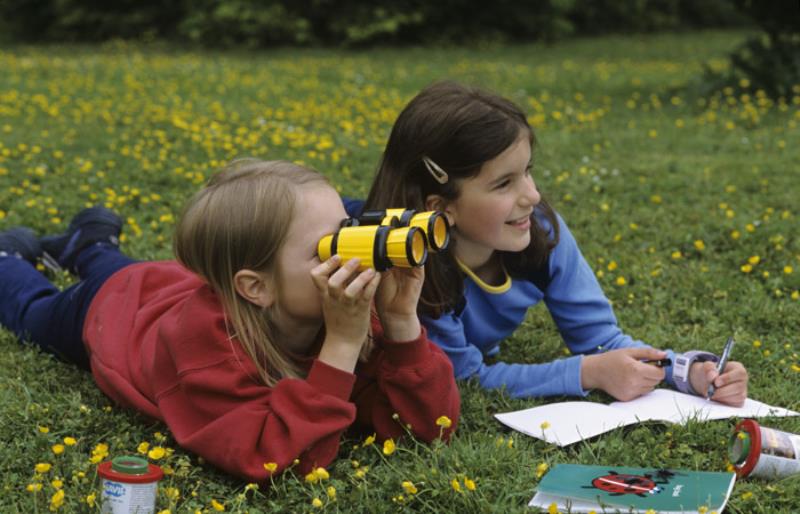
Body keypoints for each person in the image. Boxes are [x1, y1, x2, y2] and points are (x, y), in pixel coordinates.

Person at [0, 159, 460, 483]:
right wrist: (340, 346)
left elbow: (430, 428)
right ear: (256, 286)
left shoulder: (340, 308)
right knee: (34, 311)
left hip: (167, 283)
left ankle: (91, 241)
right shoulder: (206, 347)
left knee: (110, 264)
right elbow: (281, 460)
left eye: (350, 229)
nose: (351, 257)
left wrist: (402, 323)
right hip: (113, 311)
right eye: (328, 247)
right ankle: (10, 255)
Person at [347, 81, 748, 405]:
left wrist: (689, 371)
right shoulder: (409, 268)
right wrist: (587, 372)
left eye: (527, 172)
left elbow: (604, 341)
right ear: (439, 207)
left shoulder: (540, 230)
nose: (532, 195)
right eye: (504, 183)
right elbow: (463, 378)